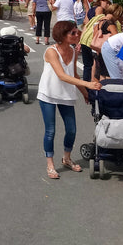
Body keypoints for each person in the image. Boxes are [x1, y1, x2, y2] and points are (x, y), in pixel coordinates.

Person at [38, 20, 100, 179]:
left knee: (71, 129)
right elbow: (62, 75)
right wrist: (88, 84)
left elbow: (74, 75)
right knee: (50, 131)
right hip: (48, 94)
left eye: (77, 32)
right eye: (73, 33)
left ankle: (66, 158)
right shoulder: (51, 51)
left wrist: (85, 92)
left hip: (65, 94)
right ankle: (50, 164)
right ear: (62, 35)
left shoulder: (73, 51)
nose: (77, 34)